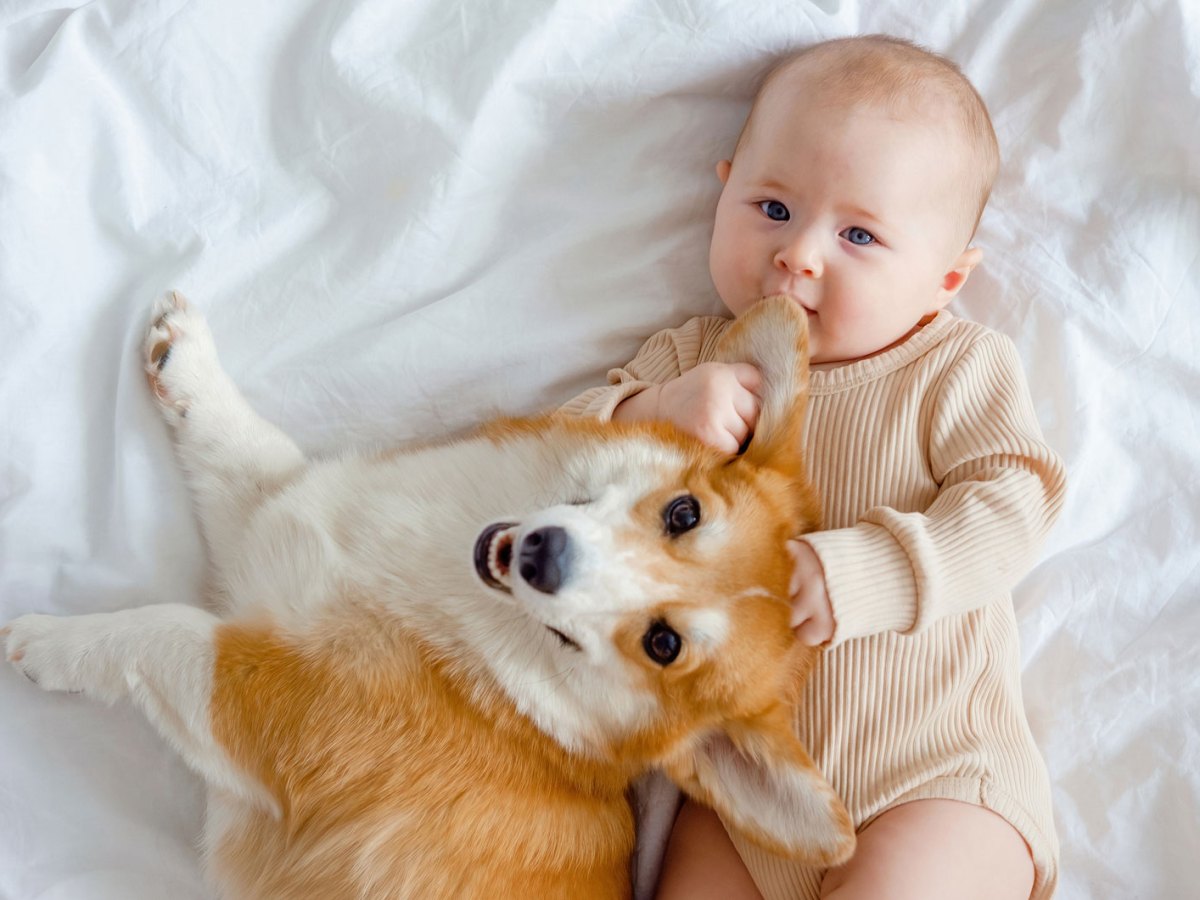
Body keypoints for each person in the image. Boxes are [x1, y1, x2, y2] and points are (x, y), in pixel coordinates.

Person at [560, 35, 1066, 900]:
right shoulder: (692, 358)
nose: (799, 254)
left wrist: (878, 569)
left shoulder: (953, 368)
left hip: (934, 774)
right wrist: (653, 414)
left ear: (945, 280)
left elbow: (1016, 505)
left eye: (860, 233)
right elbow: (555, 465)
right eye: (773, 209)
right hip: (740, 792)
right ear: (723, 190)